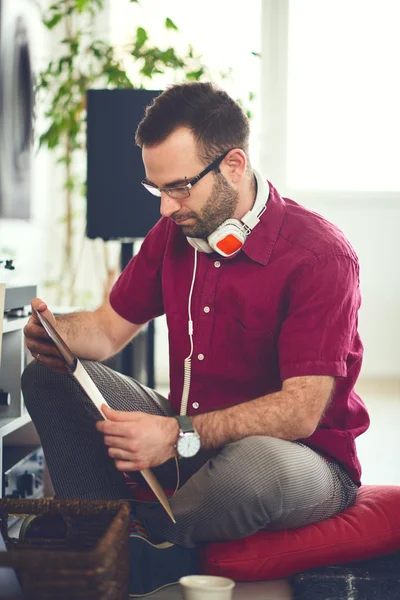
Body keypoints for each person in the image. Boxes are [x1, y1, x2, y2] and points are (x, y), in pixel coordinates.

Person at [22, 81, 369, 595]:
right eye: (156, 189)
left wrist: (175, 433)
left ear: (233, 165)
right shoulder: (175, 233)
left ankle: (123, 539)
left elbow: (300, 412)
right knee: (48, 380)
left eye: (179, 187)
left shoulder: (320, 255)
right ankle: (111, 530)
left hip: (301, 458)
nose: (165, 208)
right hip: (190, 441)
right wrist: (59, 332)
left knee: (259, 465)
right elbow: (107, 330)